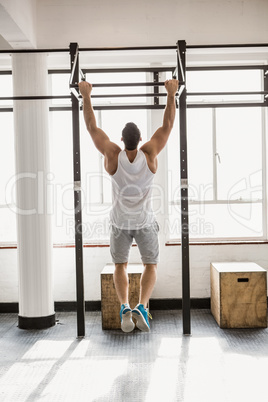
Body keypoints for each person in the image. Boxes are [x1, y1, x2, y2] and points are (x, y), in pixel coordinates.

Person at [79, 78, 178, 333]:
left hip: (120, 222)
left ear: (122, 140)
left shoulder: (113, 156)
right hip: (144, 222)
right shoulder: (150, 155)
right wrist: (171, 93)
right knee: (150, 265)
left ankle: (124, 305)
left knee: (120, 266)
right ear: (141, 139)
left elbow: (91, 127)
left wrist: (86, 96)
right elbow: (167, 125)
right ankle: (142, 306)